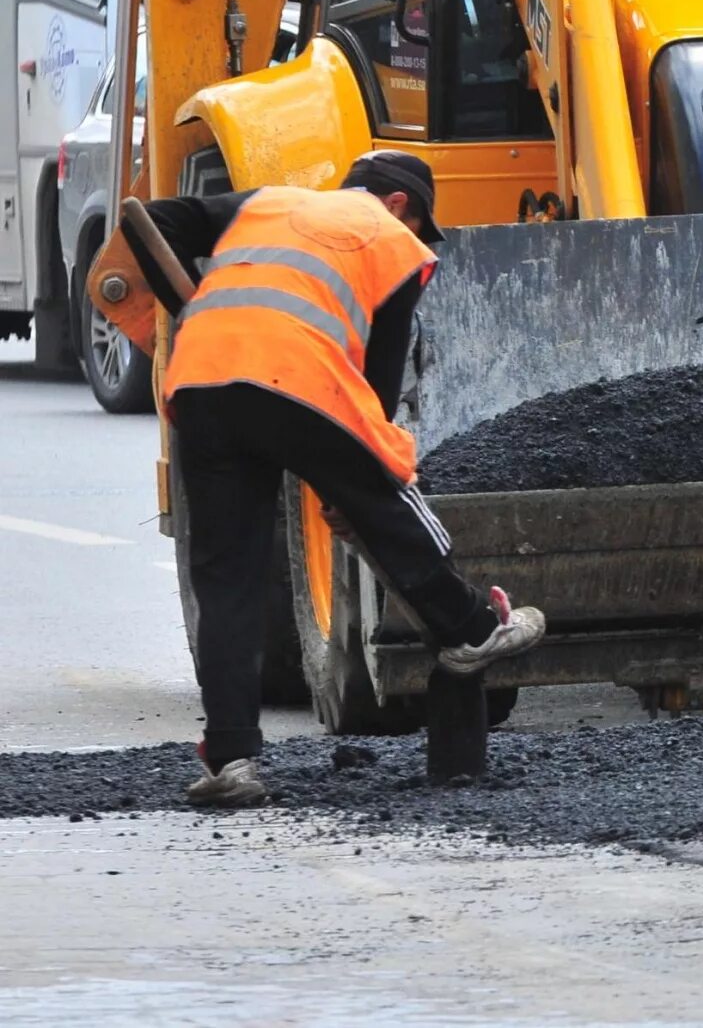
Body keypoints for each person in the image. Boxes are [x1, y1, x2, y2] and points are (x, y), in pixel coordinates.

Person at [136, 151, 547, 807]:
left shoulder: (265, 204)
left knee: (225, 578)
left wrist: (188, 305)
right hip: (297, 379)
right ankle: (471, 627)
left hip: (201, 382)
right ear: (401, 205)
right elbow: (374, 398)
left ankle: (232, 760)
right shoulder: (395, 242)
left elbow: (145, 220)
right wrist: (351, 488)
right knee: (388, 488)